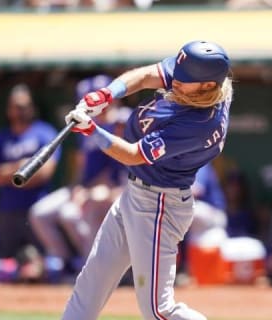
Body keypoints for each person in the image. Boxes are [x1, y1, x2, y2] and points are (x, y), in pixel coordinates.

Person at [60, 40, 232, 320]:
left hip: (160, 205)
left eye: (185, 80)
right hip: (136, 193)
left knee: (157, 310)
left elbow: (132, 154)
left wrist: (92, 129)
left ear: (208, 86)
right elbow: (145, 75)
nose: (175, 80)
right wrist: (107, 94)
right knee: (92, 281)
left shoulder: (199, 124)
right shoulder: (210, 83)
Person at [29, 75, 131, 268]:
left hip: (114, 188)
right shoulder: (87, 126)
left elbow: (115, 168)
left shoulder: (120, 120)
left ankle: (94, 265)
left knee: (71, 214)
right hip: (85, 188)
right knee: (39, 213)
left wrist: (87, 191)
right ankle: (64, 261)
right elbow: (81, 164)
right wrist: (76, 187)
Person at [0, 84, 59, 258]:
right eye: (15, 107)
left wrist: (5, 173)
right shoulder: (0, 138)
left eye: (23, 107)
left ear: (32, 108)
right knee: (7, 263)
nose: (19, 112)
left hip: (36, 210)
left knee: (40, 262)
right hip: (7, 210)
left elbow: (45, 172)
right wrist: (22, 166)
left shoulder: (45, 133)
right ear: (9, 110)